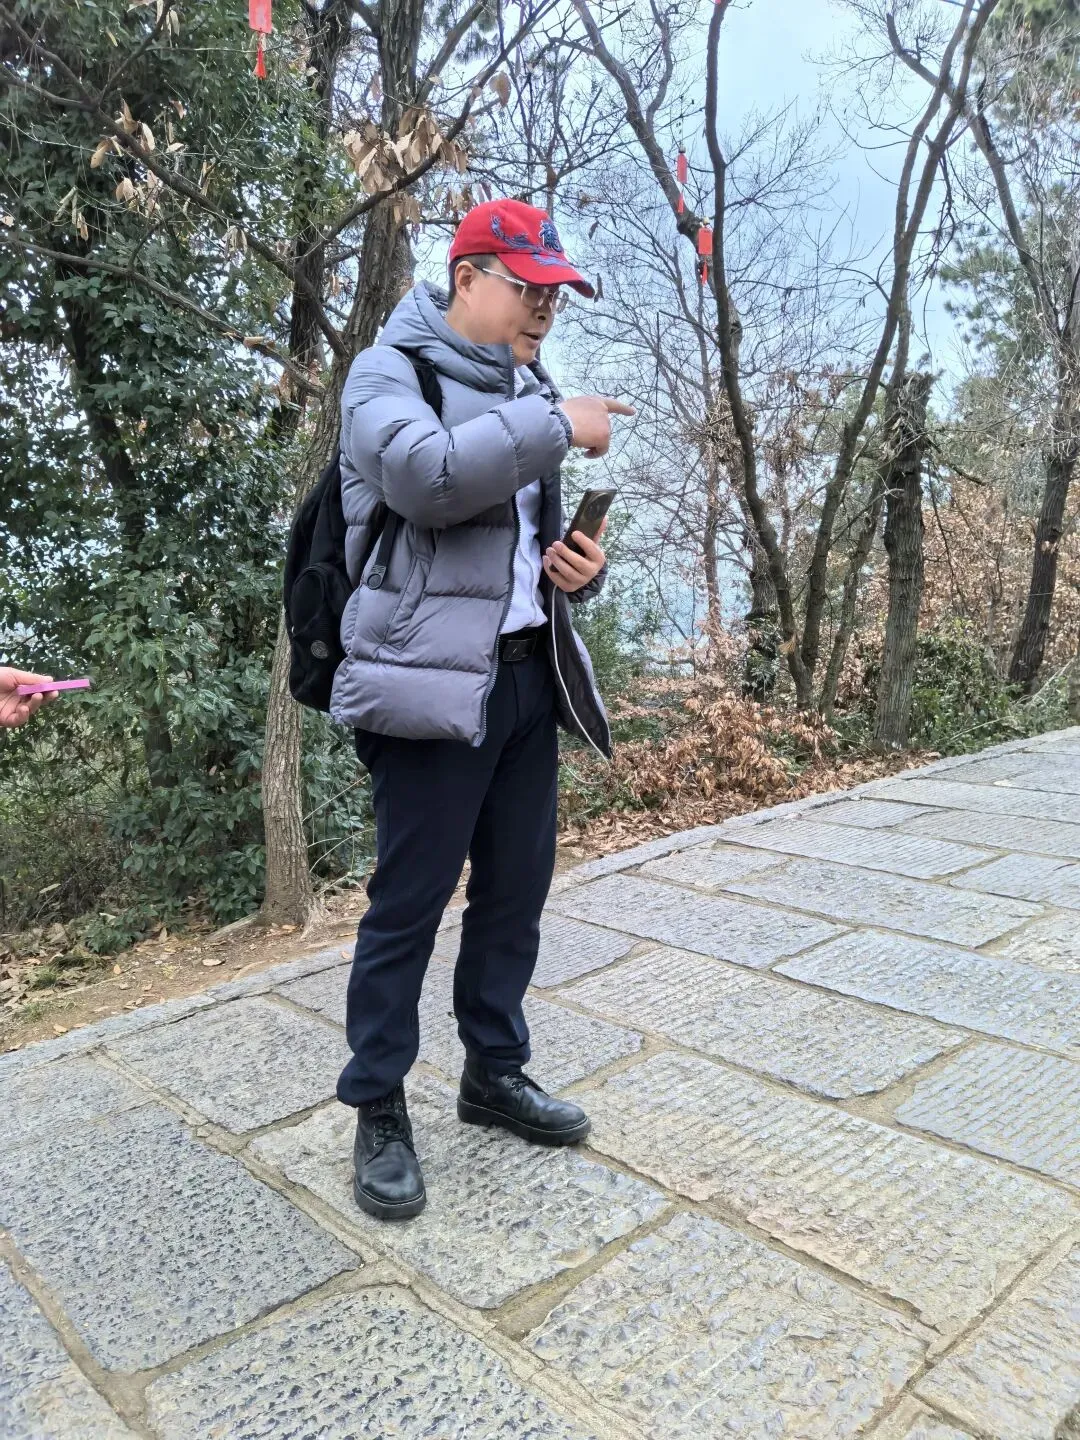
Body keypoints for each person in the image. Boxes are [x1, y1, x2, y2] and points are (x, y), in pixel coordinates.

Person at [330, 198, 634, 1220]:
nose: (545, 308)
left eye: (557, 294)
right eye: (528, 287)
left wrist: (576, 571)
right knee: (407, 906)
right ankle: (378, 1104)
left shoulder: (526, 385)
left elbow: (515, 550)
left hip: (525, 675)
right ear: (466, 278)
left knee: (514, 892)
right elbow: (428, 480)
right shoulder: (389, 375)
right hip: (423, 686)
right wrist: (561, 423)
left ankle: (493, 1072)